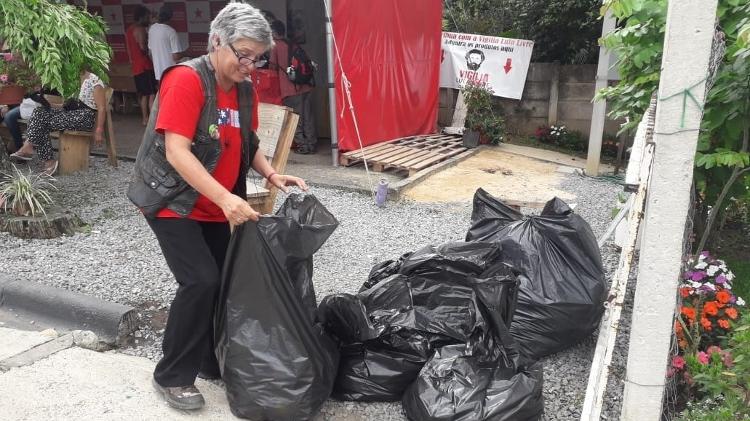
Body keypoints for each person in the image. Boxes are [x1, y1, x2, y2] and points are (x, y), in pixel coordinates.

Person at [127, 2, 308, 411]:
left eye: (257, 58)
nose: (250, 65)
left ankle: (210, 360)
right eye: (243, 55)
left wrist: (271, 175)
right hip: (174, 200)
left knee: (225, 281)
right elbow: (177, 152)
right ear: (216, 42)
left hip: (217, 202)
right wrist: (227, 198)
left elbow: (249, 142)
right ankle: (172, 375)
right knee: (200, 281)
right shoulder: (187, 81)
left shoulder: (245, 88)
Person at [9, 69, 106, 175]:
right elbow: (65, 106)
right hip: (69, 114)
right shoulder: (72, 80)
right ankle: (38, 153)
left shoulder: (94, 80)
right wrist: (48, 105)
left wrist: (99, 130)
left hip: (84, 117)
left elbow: (102, 107)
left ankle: (35, 151)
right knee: (39, 111)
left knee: (41, 122)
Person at [268, 20, 317, 154]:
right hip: (305, 86)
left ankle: (303, 146)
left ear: (273, 32)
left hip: (290, 89)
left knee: (296, 118)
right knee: (308, 116)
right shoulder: (293, 44)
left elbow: (272, 67)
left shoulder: (275, 46)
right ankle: (311, 143)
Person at [125, 5, 157, 126]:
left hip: (136, 66)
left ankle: (145, 118)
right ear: (142, 17)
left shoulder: (129, 30)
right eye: (147, 17)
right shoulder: (140, 29)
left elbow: (129, 50)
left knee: (143, 94)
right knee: (151, 94)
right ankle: (151, 120)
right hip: (145, 66)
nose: (148, 19)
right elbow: (143, 48)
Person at [148, 5, 185, 83]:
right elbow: (176, 57)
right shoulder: (171, 31)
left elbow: (150, 53)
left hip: (158, 73)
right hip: (171, 72)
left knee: (162, 93)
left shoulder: (152, 29)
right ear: (171, 17)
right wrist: (186, 52)